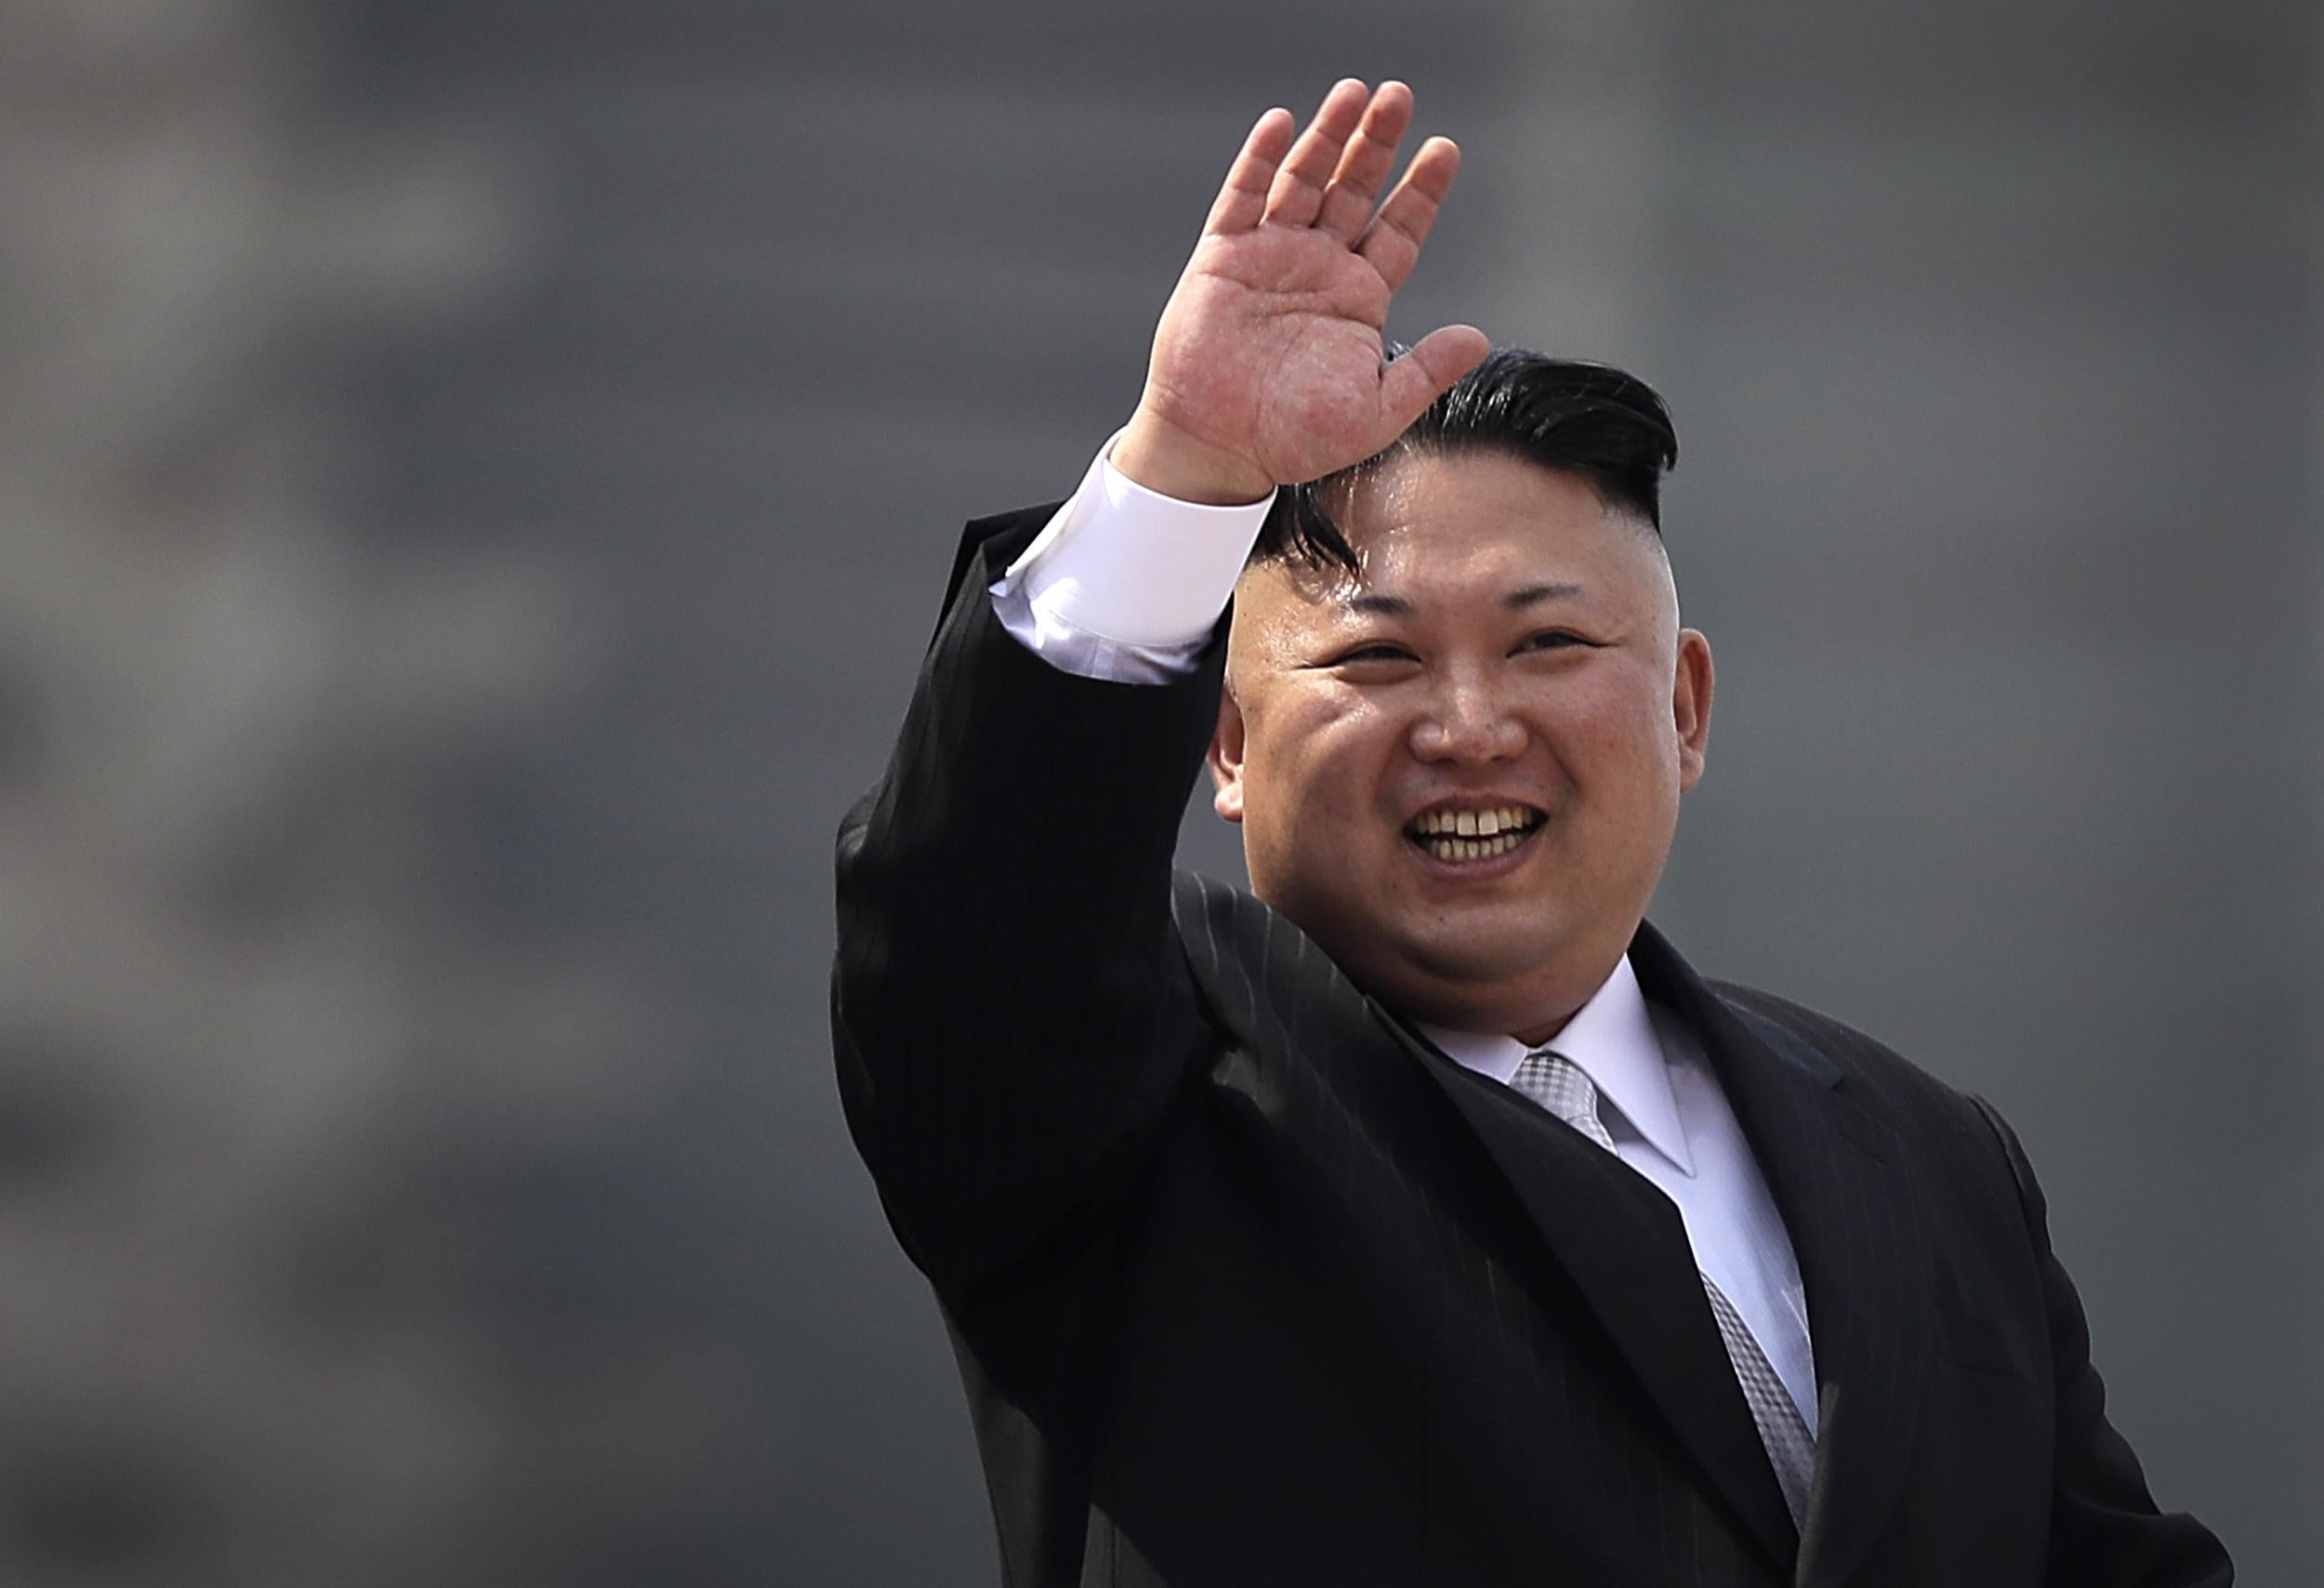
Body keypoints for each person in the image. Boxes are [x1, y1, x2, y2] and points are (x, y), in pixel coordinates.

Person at [831, 78, 2231, 1587]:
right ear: (1226, 740)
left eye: (1550, 646)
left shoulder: (1930, 1156)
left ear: (1685, 710)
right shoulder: (1140, 1086)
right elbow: (976, 931)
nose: (1471, 725)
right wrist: (1183, 468)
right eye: (1377, 659)